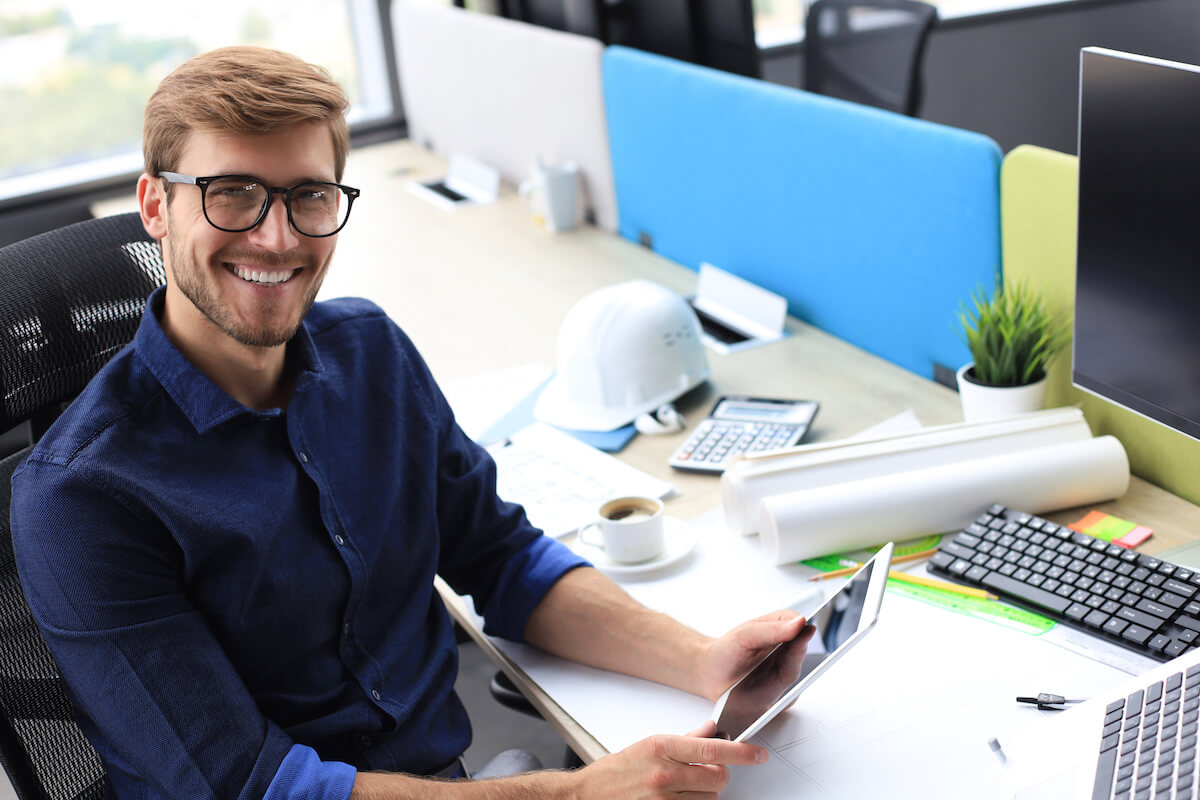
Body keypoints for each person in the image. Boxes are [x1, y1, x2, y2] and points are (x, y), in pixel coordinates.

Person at [9, 47, 809, 800]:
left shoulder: (371, 354)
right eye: (232, 193)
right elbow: (252, 787)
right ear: (157, 205)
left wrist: (705, 661)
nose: (277, 236)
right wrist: (575, 791)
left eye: (310, 196)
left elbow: (501, 560)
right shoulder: (82, 497)